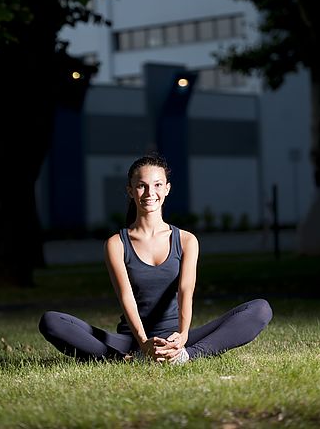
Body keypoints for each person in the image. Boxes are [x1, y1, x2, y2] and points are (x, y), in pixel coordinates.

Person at [39, 154, 273, 364]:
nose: (150, 193)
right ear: (130, 191)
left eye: (157, 185)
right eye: (141, 186)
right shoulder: (116, 243)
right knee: (51, 321)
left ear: (167, 189)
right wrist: (142, 342)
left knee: (261, 309)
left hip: (178, 338)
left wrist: (182, 338)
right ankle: (128, 359)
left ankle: (187, 356)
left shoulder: (186, 240)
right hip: (131, 341)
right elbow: (126, 297)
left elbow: (185, 292)